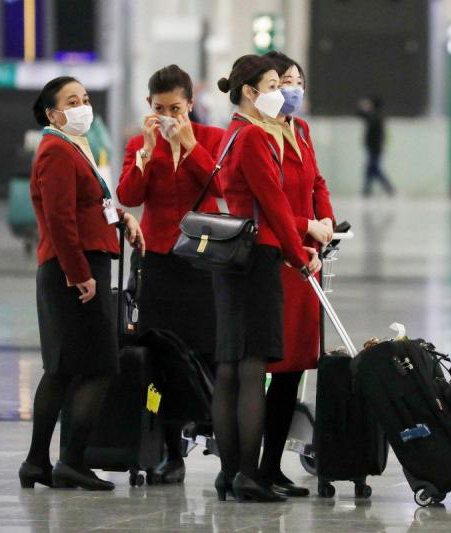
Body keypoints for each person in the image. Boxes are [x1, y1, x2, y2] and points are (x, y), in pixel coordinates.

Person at [19, 76, 144, 491]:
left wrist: (122, 219)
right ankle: (68, 461)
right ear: (53, 113)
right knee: (95, 367)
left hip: (78, 268)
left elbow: (93, 204)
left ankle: (39, 463)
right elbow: (59, 219)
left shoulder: (73, 148)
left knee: (64, 369)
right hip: (72, 273)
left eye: (86, 98)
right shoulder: (56, 151)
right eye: (72, 101)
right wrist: (79, 275)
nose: (82, 106)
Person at [212, 54, 321, 503]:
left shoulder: (229, 134)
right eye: (274, 85)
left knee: (230, 369)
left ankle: (232, 473)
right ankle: (247, 475)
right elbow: (274, 205)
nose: (281, 92)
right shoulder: (254, 137)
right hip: (257, 258)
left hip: (231, 259)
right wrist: (300, 257)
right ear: (251, 92)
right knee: (253, 368)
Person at [116, 64, 225, 484]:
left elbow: (218, 188)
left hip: (203, 262)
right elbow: (129, 195)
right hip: (160, 260)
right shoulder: (138, 146)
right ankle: (168, 450)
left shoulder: (212, 138)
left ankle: (222, 447)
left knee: (211, 354)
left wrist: (190, 143)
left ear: (190, 105)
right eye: (160, 108)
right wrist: (146, 150)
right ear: (149, 106)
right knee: (159, 360)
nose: (168, 116)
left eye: (176, 107)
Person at [258, 51, 335, 497]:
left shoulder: (300, 130)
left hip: (308, 256)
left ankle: (273, 465)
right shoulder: (261, 136)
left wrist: (325, 222)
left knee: (294, 370)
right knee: (276, 365)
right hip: (283, 260)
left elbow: (316, 183)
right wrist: (305, 228)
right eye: (283, 81)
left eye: (297, 80)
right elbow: (273, 201)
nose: (292, 89)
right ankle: (259, 464)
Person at [357, 96, 395, 197]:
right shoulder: (376, 116)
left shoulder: (376, 116)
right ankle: (367, 190)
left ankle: (388, 188)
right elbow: (361, 115)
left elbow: (364, 116)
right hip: (374, 147)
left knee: (374, 169)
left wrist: (364, 108)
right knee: (371, 169)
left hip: (375, 148)